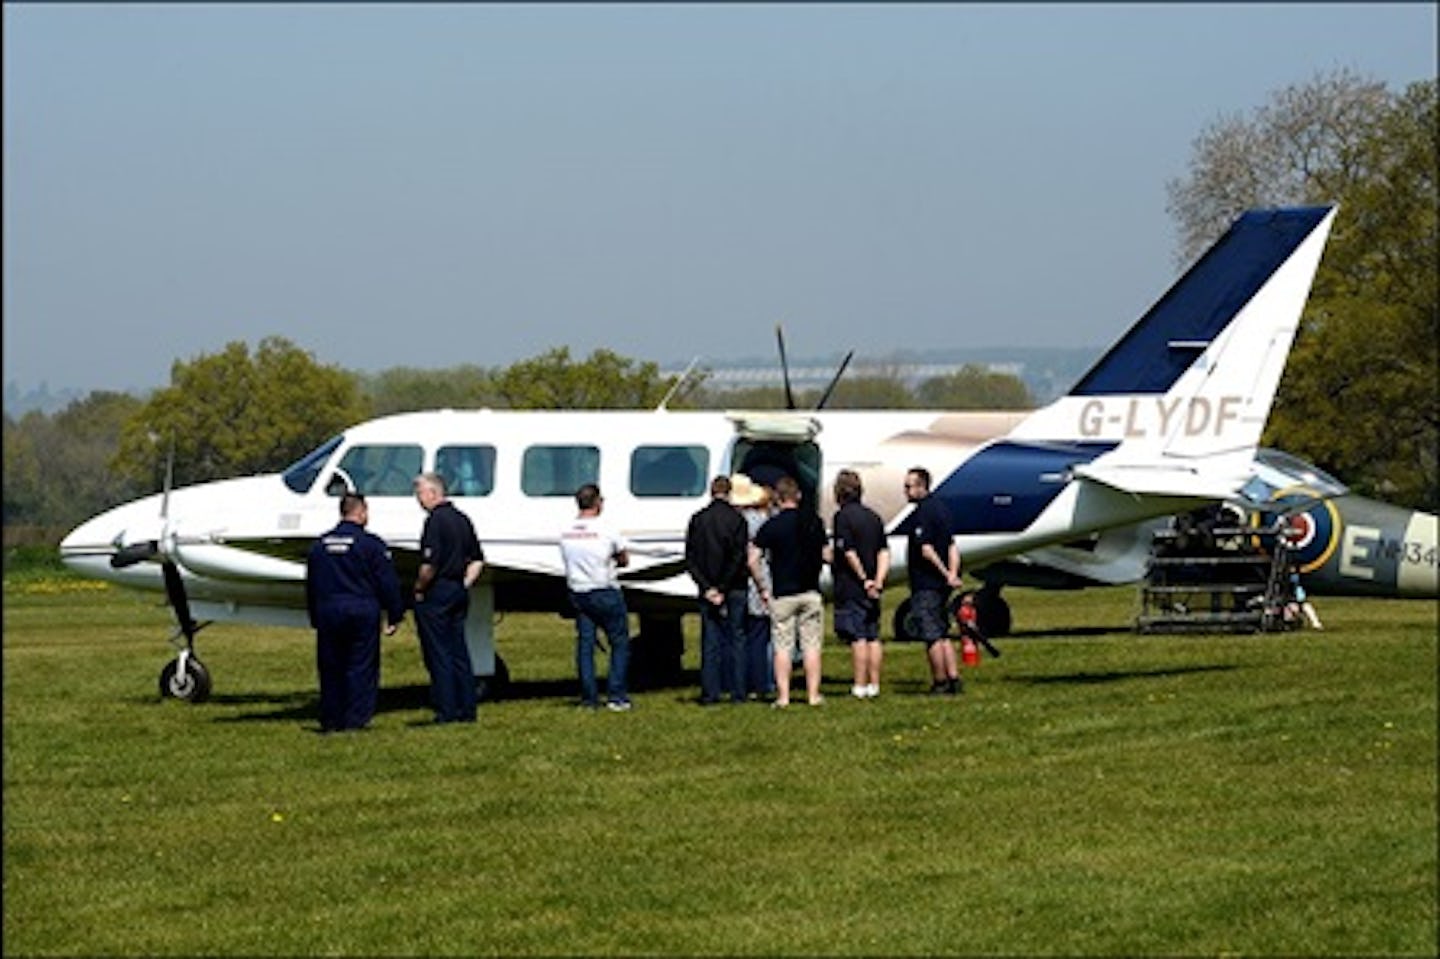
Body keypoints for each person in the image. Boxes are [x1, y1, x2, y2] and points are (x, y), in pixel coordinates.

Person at [305, 492, 406, 732]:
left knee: (331, 666)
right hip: (361, 609)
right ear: (360, 512)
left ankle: (331, 718)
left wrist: (314, 616)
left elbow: (311, 584)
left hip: (329, 609)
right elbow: (387, 582)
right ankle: (356, 719)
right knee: (361, 665)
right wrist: (394, 612)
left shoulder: (319, 546)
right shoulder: (371, 545)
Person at [412, 471, 485, 724]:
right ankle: (467, 707)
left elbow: (429, 563)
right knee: (459, 650)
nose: (418, 499)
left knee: (438, 652)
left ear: (433, 492)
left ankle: (446, 708)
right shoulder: (462, 519)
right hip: (457, 589)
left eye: (420, 493)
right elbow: (477, 558)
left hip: (438, 590)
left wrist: (420, 588)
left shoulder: (435, 521)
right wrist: (465, 583)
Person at [751, 475, 828, 707]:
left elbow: (753, 559)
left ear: (778, 498)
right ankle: (813, 695)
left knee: (782, 646)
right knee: (811, 645)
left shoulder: (771, 526)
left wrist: (762, 587)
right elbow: (826, 554)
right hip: (810, 591)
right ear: (799, 496)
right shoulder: (814, 522)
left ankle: (783, 697)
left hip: (783, 592)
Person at [558, 483, 634, 711]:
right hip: (604, 589)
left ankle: (589, 697)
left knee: (586, 645)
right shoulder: (606, 528)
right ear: (597, 502)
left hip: (578, 591)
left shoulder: (566, 531)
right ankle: (616, 695)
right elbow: (623, 558)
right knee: (619, 642)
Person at [685, 474, 750, 704]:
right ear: (729, 492)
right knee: (737, 639)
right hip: (734, 587)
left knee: (710, 640)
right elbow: (738, 557)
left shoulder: (698, 519)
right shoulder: (738, 520)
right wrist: (723, 586)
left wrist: (707, 587)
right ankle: (738, 691)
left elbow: (690, 558)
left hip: (707, 587)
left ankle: (710, 692)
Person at [831, 469, 890, 699]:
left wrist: (864, 579)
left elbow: (848, 551)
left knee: (858, 637)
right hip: (875, 583)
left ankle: (859, 683)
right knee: (873, 636)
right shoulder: (874, 517)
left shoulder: (842, 518)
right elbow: (883, 551)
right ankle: (874, 684)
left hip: (852, 584)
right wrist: (879, 580)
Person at [904, 467, 963, 694]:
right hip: (942, 585)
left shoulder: (923, 513)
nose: (906, 491)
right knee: (943, 631)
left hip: (927, 582)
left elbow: (926, 549)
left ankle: (940, 680)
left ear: (922, 486)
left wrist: (944, 573)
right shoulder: (941, 509)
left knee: (931, 635)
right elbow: (951, 546)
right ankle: (954, 676)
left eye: (909, 486)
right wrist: (953, 574)